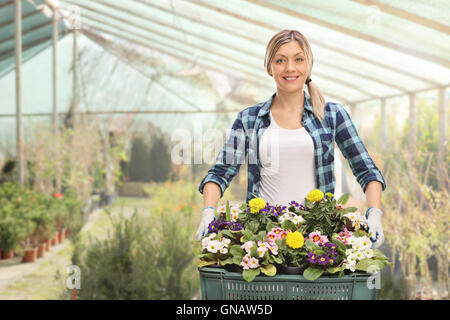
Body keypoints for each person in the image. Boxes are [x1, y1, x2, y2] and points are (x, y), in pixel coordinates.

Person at [195, 30, 386, 248]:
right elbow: (220, 172)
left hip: (317, 240)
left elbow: (367, 170)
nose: (290, 68)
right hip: (264, 241)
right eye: (280, 60)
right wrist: (208, 211)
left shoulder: (331, 114)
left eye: (298, 59)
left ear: (308, 64)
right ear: (269, 67)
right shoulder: (249, 119)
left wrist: (374, 212)